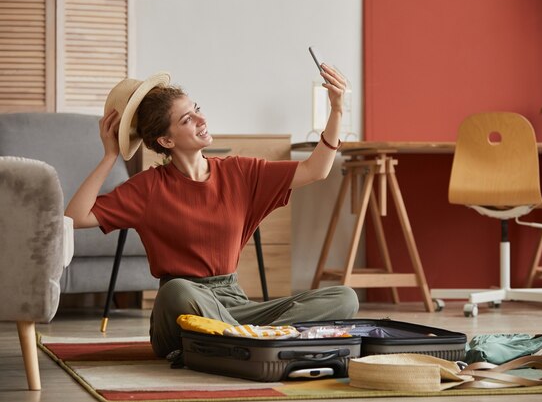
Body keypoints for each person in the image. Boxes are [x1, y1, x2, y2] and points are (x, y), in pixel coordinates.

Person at [65, 64, 359, 358]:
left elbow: (316, 169)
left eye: (197, 109)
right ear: (167, 141)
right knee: (176, 291)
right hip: (184, 309)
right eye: (187, 119)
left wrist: (336, 110)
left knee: (344, 297)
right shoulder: (148, 187)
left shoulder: (240, 173)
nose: (202, 119)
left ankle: (243, 343)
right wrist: (109, 156)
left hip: (235, 305)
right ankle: (257, 343)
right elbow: (75, 217)